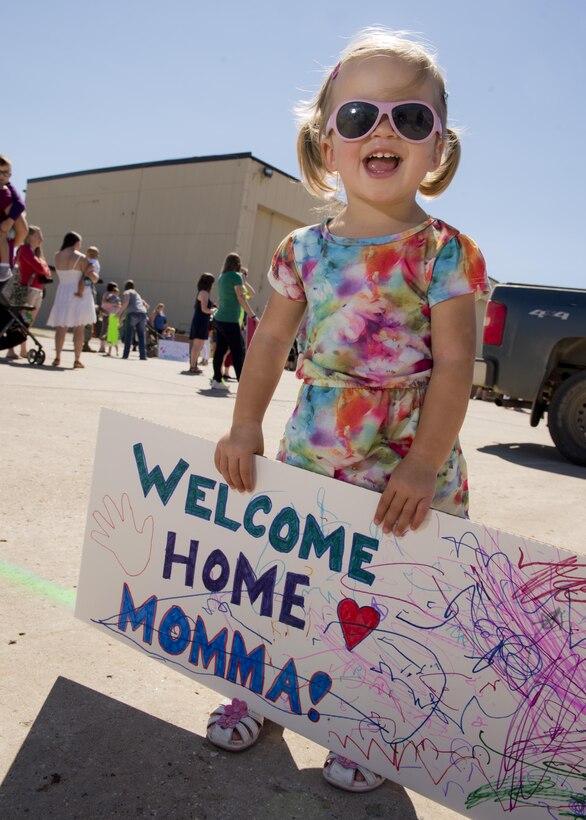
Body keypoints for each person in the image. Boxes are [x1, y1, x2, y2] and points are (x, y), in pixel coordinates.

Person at [211, 28, 489, 793]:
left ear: (438, 148)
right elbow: (268, 343)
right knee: (291, 581)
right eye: (360, 115)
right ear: (326, 144)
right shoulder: (302, 250)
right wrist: (245, 424)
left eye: (411, 117)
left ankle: (369, 721)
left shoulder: (446, 253)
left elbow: (458, 365)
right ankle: (267, 688)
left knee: (389, 601)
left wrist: (427, 463)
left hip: (408, 459)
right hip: (316, 447)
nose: (385, 131)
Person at [47, 231, 99, 368]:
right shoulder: (80, 257)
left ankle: (57, 358)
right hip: (77, 292)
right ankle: (77, 359)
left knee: (61, 327)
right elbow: (92, 277)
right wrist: (95, 276)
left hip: (63, 290)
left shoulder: (57, 256)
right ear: (76, 242)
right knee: (79, 327)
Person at [211, 252, 256, 390]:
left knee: (220, 349)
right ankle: (243, 384)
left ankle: (216, 380)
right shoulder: (236, 277)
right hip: (230, 320)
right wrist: (252, 315)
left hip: (219, 318)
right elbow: (241, 298)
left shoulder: (222, 277)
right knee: (239, 350)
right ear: (238, 264)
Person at [9, 226, 53, 359]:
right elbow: (41, 268)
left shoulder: (36, 253)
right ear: (30, 236)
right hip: (28, 290)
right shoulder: (25, 250)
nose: (42, 239)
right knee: (20, 319)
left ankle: (22, 348)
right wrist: (44, 268)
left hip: (38, 290)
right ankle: (11, 348)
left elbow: (48, 272)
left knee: (28, 321)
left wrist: (45, 269)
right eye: (38, 236)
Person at [0, 155, 28, 286]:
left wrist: (9, 221)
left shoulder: (5, 192)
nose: (2, 176)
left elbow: (22, 228)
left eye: (5, 173)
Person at [189, 273, 215, 374]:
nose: (213, 285)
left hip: (203, 320)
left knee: (200, 344)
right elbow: (204, 309)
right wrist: (214, 310)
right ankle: (192, 366)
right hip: (200, 320)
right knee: (197, 345)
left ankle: (194, 365)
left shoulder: (204, 292)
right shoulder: (204, 293)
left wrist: (213, 308)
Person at [119, 279, 149, 360]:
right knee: (141, 335)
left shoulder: (127, 292)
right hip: (143, 313)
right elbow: (146, 305)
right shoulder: (137, 294)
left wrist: (118, 314)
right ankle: (143, 356)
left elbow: (125, 303)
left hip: (132, 314)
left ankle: (125, 355)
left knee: (128, 334)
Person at [101, 282, 121, 356]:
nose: (115, 293)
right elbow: (105, 303)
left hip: (114, 317)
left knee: (113, 335)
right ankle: (110, 351)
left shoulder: (117, 299)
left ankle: (115, 351)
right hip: (112, 316)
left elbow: (119, 306)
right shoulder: (109, 296)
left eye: (116, 292)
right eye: (114, 292)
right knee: (111, 335)